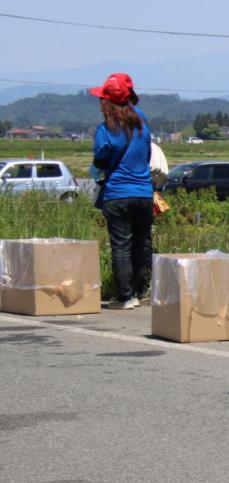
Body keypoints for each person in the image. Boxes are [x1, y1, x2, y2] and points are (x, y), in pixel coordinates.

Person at [90, 73, 153, 310]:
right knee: (141, 243)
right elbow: (147, 153)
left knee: (121, 246)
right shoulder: (142, 121)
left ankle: (126, 296)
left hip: (118, 193)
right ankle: (142, 290)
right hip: (144, 192)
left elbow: (100, 157)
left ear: (107, 102)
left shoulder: (106, 128)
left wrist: (99, 168)